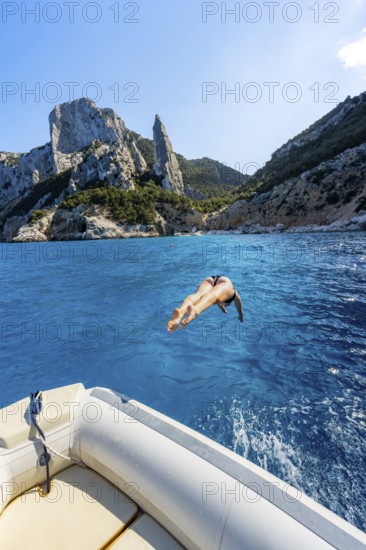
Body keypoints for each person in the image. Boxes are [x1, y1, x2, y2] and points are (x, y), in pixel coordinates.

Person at [167, 275, 244, 333]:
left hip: (211, 279)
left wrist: (223, 310)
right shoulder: (233, 295)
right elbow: (238, 302)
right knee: (214, 296)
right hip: (226, 284)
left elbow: (221, 304)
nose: (226, 305)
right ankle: (195, 310)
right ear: (228, 302)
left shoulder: (221, 301)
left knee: (199, 295)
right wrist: (241, 315)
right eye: (227, 304)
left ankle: (180, 313)